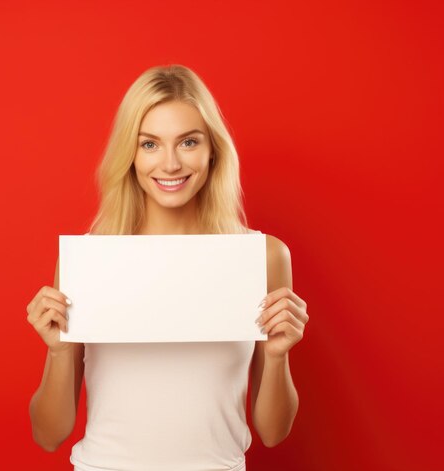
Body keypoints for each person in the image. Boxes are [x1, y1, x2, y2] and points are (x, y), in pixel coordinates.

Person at [26, 64, 310, 471]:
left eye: (188, 142)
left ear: (212, 149)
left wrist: (279, 356)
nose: (171, 164)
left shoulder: (262, 257)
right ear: (130, 154)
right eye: (150, 144)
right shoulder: (90, 260)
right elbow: (48, 433)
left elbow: (273, 431)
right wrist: (58, 352)